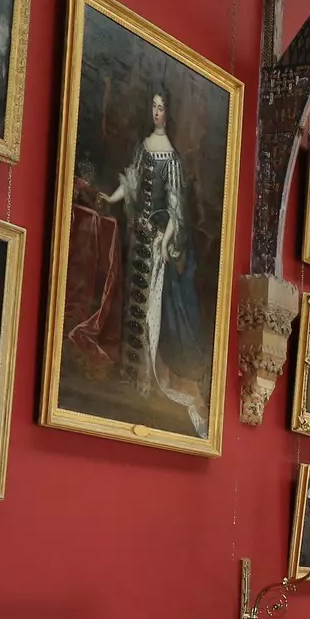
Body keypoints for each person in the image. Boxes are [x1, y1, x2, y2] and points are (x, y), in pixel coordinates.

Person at [94, 90, 210, 438]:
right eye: (154, 107)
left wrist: (165, 242)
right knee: (132, 303)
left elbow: (175, 209)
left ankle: (146, 378)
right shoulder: (143, 149)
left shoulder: (172, 160)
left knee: (149, 312)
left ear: (168, 113)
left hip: (156, 242)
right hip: (139, 241)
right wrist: (109, 196)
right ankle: (130, 374)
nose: (157, 113)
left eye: (162, 108)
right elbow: (129, 184)